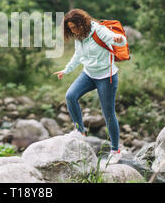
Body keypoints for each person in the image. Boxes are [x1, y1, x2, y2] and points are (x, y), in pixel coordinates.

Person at [53, 9, 127, 164]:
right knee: (70, 96)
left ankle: (115, 150)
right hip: (88, 74)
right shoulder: (79, 37)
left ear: (82, 23)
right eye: (70, 29)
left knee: (108, 113)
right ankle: (80, 131)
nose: (73, 31)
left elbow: (114, 39)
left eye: (75, 27)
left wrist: (119, 39)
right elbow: (77, 56)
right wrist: (66, 70)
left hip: (106, 77)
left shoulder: (98, 30)